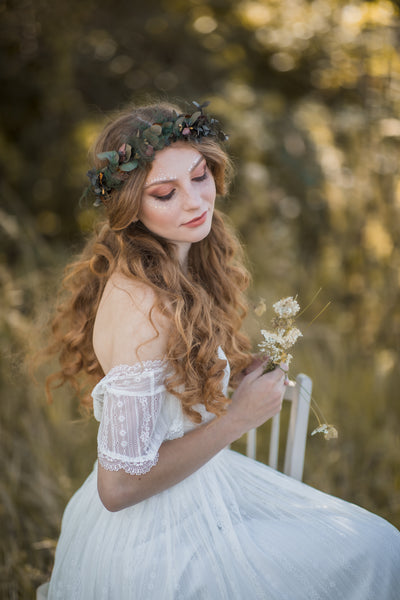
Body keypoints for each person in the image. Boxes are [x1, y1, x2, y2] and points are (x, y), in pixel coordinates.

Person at [37, 101, 400, 600]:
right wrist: (237, 419)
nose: (194, 202)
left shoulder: (175, 263)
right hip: (157, 538)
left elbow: (165, 393)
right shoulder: (143, 304)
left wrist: (225, 376)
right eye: (165, 193)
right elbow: (118, 488)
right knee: (377, 549)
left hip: (193, 496)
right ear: (129, 207)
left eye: (200, 175)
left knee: (372, 544)